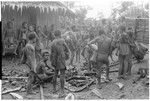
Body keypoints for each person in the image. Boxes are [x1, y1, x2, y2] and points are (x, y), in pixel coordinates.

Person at [50, 30, 69, 97]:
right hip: (61, 59)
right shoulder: (62, 41)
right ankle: (62, 90)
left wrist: (52, 61)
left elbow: (51, 52)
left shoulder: (52, 42)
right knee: (62, 74)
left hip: (54, 59)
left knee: (55, 73)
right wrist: (66, 55)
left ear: (54, 35)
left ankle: (54, 89)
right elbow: (67, 49)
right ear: (60, 34)